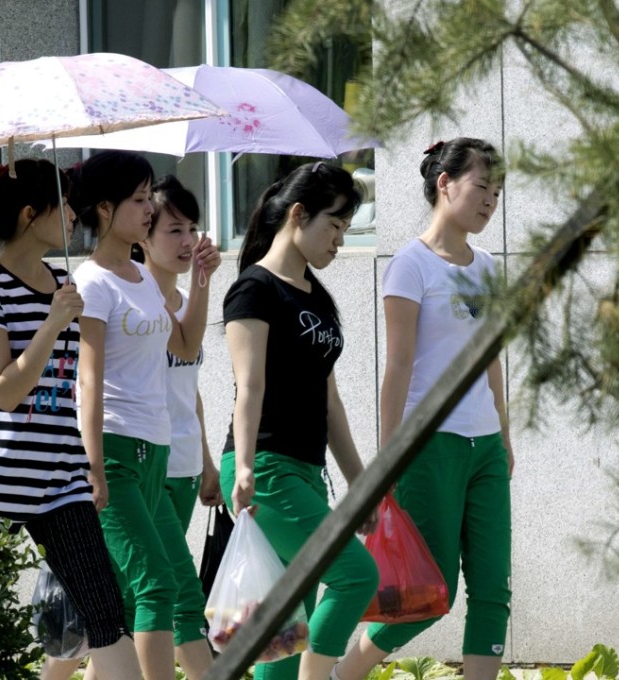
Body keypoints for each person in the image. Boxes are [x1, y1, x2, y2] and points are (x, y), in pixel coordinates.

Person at [0, 159, 141, 679]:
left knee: (105, 613)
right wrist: (53, 322)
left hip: (58, 479)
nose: (75, 216)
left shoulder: (62, 283)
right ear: (31, 213)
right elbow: (5, 391)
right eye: (66, 205)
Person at [336, 138, 513, 680]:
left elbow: (491, 359)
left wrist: (504, 434)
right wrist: (388, 457)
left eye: (498, 192)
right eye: (482, 186)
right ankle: (346, 671)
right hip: (427, 446)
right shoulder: (410, 266)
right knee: (428, 591)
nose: (490, 200)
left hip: (484, 446)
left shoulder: (487, 267)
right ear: (445, 184)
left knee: (492, 589)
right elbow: (399, 368)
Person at [220, 161, 379, 680]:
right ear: (298, 214)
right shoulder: (255, 289)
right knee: (356, 574)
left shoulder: (318, 297)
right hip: (265, 468)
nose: (339, 240)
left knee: (287, 625)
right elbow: (250, 387)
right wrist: (244, 466)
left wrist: (360, 485)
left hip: (305, 472)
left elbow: (330, 400)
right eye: (334, 226)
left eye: (346, 230)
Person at [67, 151, 218, 680]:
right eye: (138, 200)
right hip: (114, 447)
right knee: (158, 583)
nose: (148, 210)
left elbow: (187, 341)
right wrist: (91, 463)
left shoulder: (140, 275)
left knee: (134, 593)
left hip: (154, 449)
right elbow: (87, 378)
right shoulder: (91, 283)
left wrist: (200, 281)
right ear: (104, 209)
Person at [134, 174, 222, 679]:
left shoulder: (189, 304)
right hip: (146, 464)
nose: (187, 241)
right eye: (173, 230)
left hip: (185, 464)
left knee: (144, 597)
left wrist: (209, 462)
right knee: (176, 592)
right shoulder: (135, 303)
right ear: (143, 235)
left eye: (192, 228)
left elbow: (191, 389)